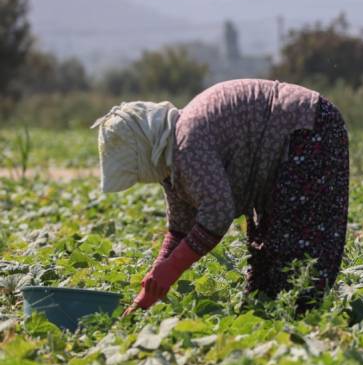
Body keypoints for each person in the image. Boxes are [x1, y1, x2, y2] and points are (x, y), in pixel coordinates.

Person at [92, 78, 349, 314]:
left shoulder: (188, 143)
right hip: (290, 141)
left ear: (144, 150)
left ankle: (303, 323)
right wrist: (153, 284)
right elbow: (181, 227)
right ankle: (275, 317)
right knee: (267, 259)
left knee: (295, 247)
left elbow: (217, 213)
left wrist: (170, 271)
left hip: (308, 128)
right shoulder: (171, 160)